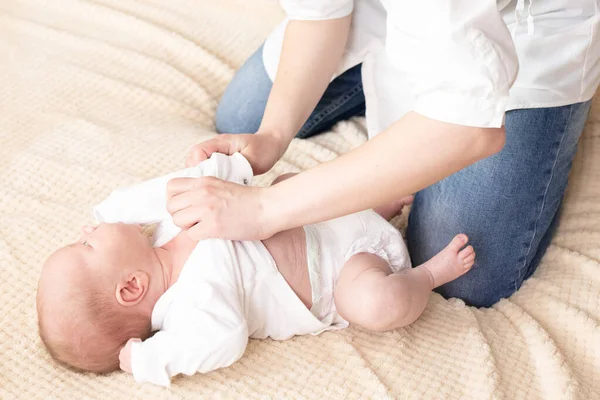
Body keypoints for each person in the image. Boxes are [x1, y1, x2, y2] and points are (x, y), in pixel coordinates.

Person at [171, 0, 600, 307]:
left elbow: (470, 129)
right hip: (392, 13)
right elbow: (319, 15)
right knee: (242, 117)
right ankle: (399, 84)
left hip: (522, 33)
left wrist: (265, 208)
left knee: (462, 272)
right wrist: (272, 134)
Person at [36, 153, 475, 387]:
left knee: (288, 184)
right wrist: (150, 359)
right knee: (373, 304)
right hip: (348, 271)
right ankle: (428, 276)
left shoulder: (170, 223)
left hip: (329, 216)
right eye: (85, 243)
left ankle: (376, 202)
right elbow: (221, 341)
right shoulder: (189, 307)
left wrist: (110, 210)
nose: (88, 229)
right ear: (132, 287)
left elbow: (192, 179)